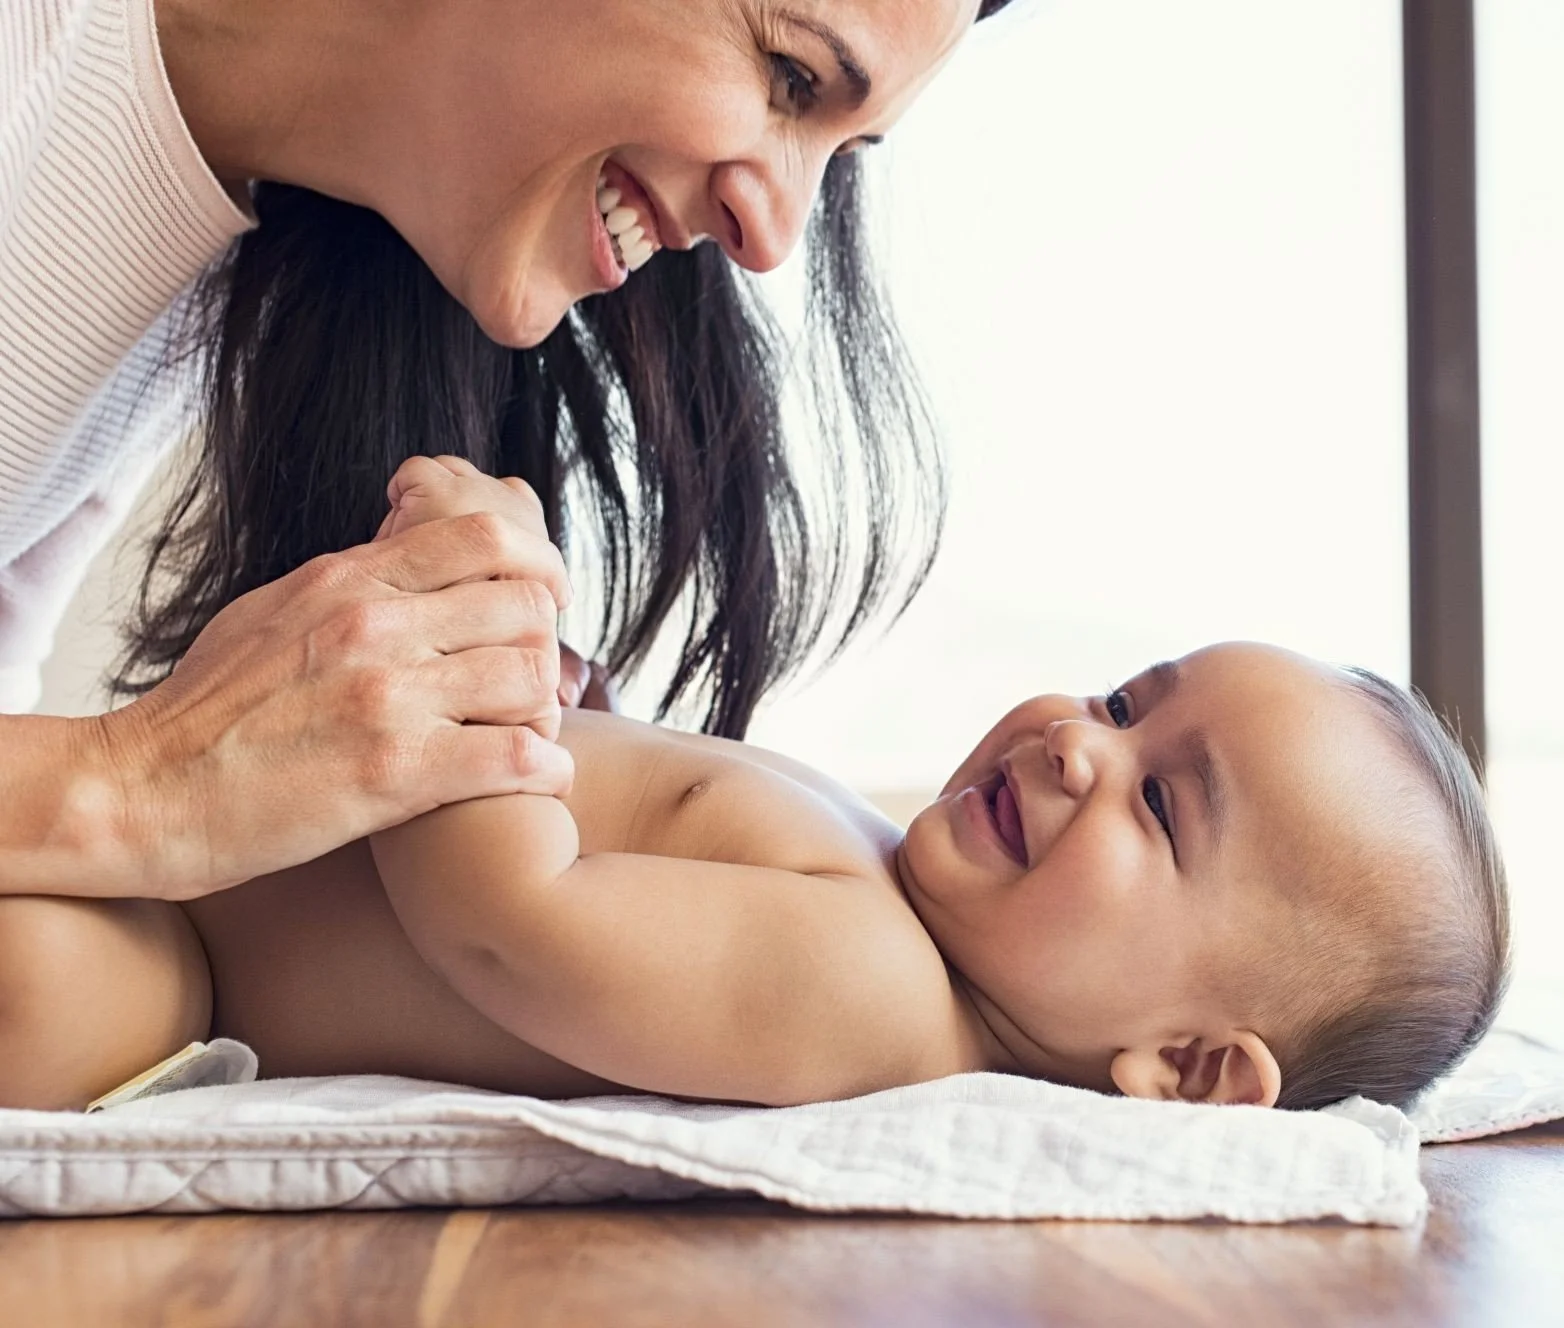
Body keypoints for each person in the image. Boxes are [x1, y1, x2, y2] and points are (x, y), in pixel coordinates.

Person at [0, 464, 1509, 1113]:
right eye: (1125, 702)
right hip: (197, 868)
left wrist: (479, 632)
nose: (1076, 745)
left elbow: (510, 925)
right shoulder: (885, 892)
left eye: (1161, 807)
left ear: (1185, 1071)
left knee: (37, 978)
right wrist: (593, 722)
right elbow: (637, 825)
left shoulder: (874, 993)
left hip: (186, 971)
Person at [0, 0, 1009, 903]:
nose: (774, 237)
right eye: (790, 77)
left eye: (843, 151)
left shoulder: (198, 247)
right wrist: (144, 782)